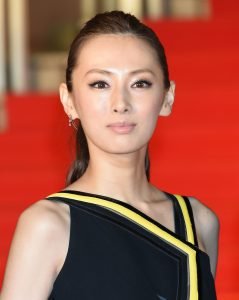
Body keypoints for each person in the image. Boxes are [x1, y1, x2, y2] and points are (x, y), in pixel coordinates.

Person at [0, 10, 219, 300]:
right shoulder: (47, 225)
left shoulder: (200, 221)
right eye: (100, 84)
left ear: (167, 98)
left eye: (139, 83)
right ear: (69, 101)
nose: (120, 103)